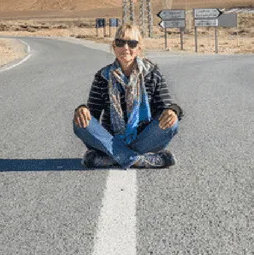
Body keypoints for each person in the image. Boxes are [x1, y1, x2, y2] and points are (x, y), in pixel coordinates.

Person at [73, 22, 182, 169]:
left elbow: (165, 107)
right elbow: (93, 113)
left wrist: (173, 111)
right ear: (114, 46)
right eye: (120, 42)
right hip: (110, 139)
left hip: (146, 138)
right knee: (79, 122)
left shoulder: (153, 73)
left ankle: (112, 158)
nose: (126, 48)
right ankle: (139, 160)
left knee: (172, 123)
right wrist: (82, 110)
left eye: (132, 43)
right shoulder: (102, 77)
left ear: (139, 48)